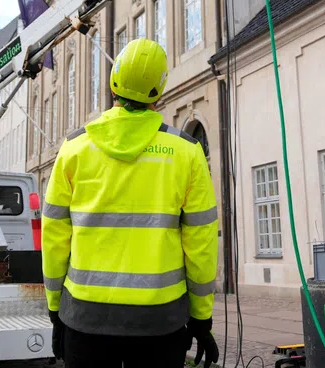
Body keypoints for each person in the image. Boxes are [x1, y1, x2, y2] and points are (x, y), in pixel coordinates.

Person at [42, 39, 220, 368]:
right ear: (159, 91)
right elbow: (201, 243)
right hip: (160, 321)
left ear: (113, 83)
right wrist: (201, 318)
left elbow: (54, 237)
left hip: (84, 316)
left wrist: (56, 308)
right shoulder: (186, 152)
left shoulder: (74, 149)